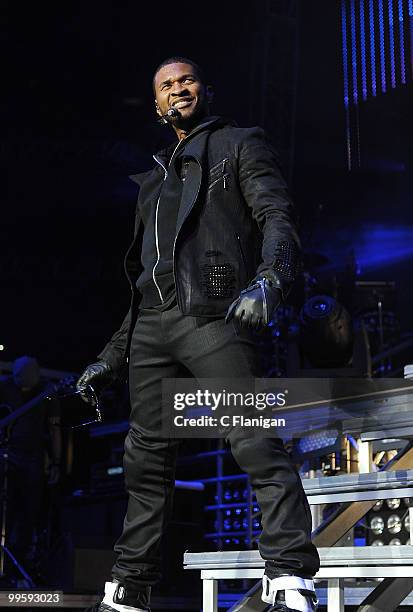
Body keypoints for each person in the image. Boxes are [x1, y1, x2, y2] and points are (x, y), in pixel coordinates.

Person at [77, 57, 320, 612]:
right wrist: (111, 358)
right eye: (166, 86)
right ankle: (131, 584)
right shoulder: (152, 182)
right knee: (145, 461)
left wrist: (270, 280)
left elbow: (277, 217)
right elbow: (144, 283)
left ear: (203, 89)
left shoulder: (238, 143)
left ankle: (290, 574)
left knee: (252, 438)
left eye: (185, 80)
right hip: (152, 330)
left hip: (214, 316)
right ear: (158, 104)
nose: (177, 89)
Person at [0, 356, 61, 581]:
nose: (24, 383)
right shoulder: (4, 387)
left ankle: (17, 566)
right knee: (7, 510)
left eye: (29, 379)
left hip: (32, 459)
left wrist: (56, 461)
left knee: (29, 513)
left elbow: (55, 428)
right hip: (6, 455)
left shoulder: (47, 391)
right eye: (20, 379)